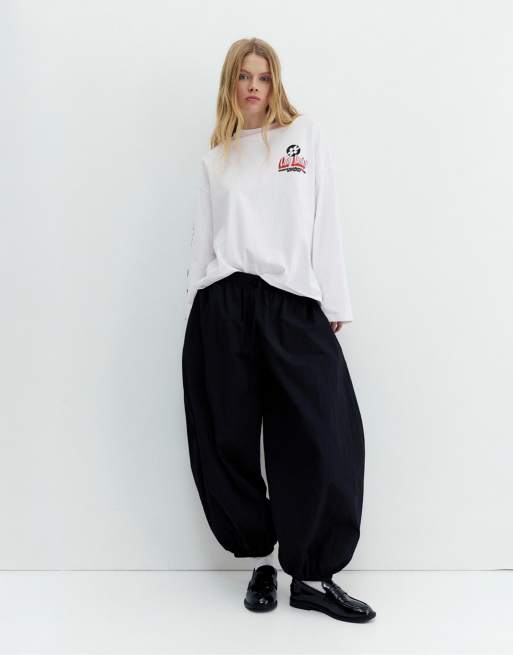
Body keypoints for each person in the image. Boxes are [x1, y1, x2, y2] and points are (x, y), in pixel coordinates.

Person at [181, 37, 376, 623]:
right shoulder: (216, 158)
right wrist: (194, 317)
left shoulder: (303, 137)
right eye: (244, 76)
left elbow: (324, 216)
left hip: (291, 302)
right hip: (223, 304)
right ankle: (260, 561)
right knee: (228, 437)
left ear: (275, 83)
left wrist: (334, 298)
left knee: (321, 431)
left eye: (263, 77)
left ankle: (312, 574)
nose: (253, 87)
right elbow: (203, 242)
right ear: (230, 83)